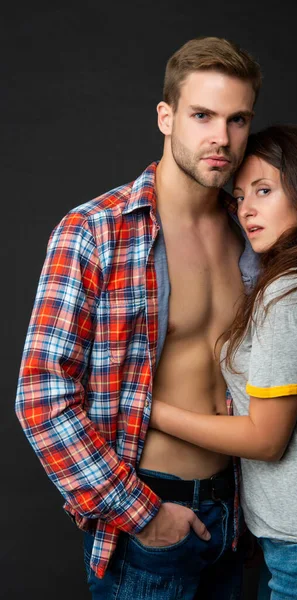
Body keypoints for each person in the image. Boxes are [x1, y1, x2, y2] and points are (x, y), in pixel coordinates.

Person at [15, 37, 262, 599]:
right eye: (202, 115)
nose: (220, 138)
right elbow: (41, 396)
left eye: (237, 119)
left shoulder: (252, 235)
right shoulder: (95, 230)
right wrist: (143, 514)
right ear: (166, 117)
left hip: (237, 516)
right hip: (150, 513)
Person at [150, 124, 297, 599]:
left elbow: (265, 439)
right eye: (240, 196)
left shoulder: (289, 293)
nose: (248, 209)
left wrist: (152, 411)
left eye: (265, 190)